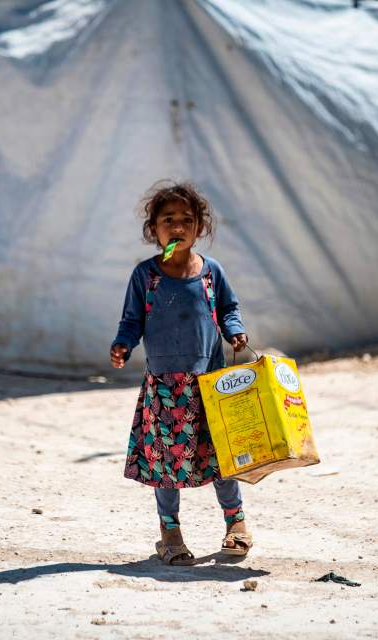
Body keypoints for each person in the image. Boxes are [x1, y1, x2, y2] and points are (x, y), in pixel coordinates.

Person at [110, 180, 252, 566]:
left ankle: (235, 524)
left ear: (199, 228)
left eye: (186, 220)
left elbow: (228, 308)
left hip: (211, 382)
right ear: (153, 229)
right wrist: (123, 344)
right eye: (167, 219)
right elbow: (131, 320)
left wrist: (234, 331)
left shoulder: (211, 272)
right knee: (166, 466)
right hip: (165, 387)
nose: (177, 226)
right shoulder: (146, 276)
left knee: (223, 458)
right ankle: (170, 534)